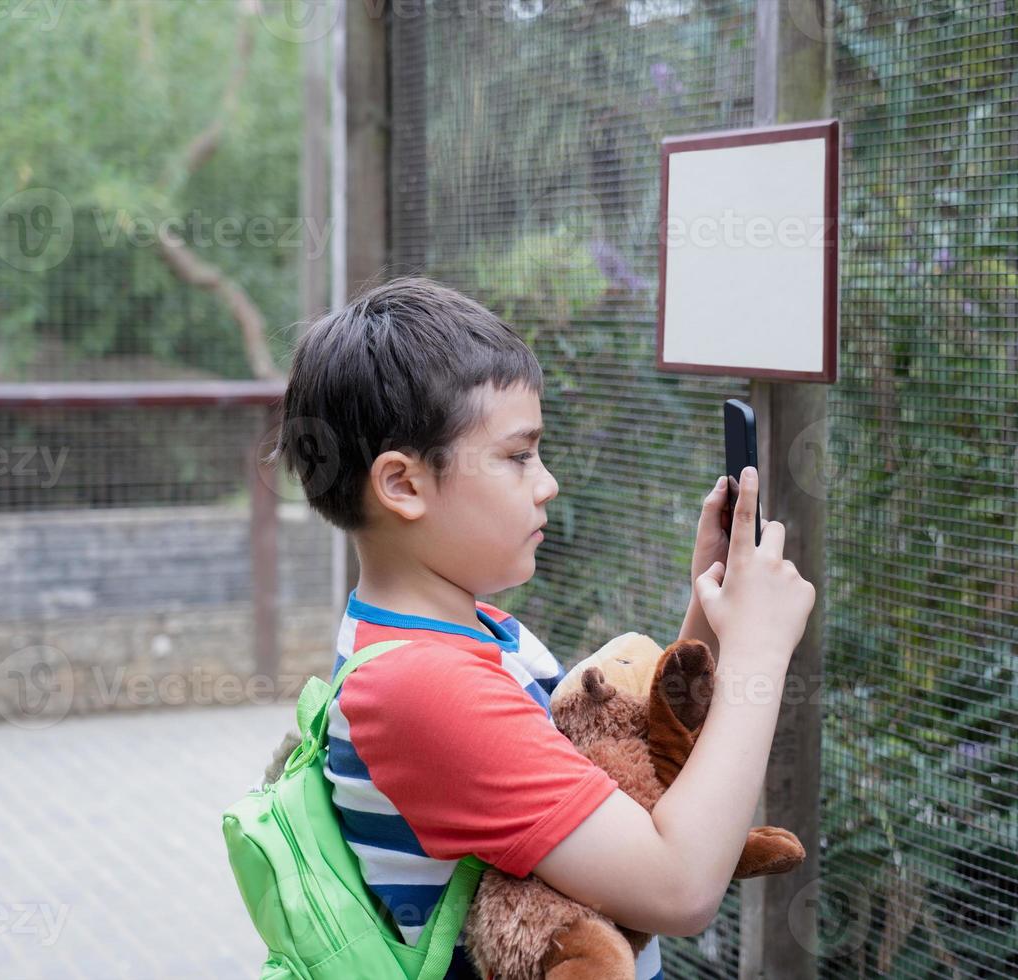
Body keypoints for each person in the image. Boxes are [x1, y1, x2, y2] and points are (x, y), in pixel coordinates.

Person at [269, 276, 816, 979]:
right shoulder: (422, 688)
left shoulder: (466, 633)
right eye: (518, 455)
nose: (546, 481)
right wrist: (761, 653)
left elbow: (629, 771)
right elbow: (679, 887)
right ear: (403, 485)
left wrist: (711, 618)